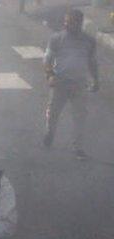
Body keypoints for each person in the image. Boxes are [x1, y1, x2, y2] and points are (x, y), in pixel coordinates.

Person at [43, 8, 99, 161]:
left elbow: (92, 63)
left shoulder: (89, 41)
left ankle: (78, 147)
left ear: (79, 23)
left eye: (70, 22)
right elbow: (47, 59)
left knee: (80, 117)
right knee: (53, 112)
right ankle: (50, 132)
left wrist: (95, 80)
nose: (66, 25)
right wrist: (50, 75)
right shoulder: (56, 39)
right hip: (60, 81)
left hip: (79, 84)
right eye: (65, 21)